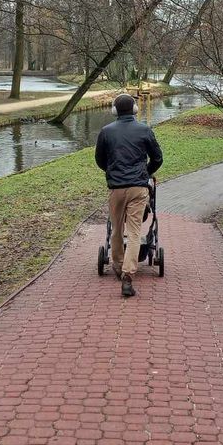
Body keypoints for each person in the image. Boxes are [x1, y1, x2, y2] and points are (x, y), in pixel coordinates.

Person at [95, 93, 163, 298]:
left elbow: (100, 160)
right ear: (134, 110)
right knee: (134, 232)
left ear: (114, 111)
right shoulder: (145, 130)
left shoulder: (106, 132)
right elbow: (158, 158)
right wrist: (146, 172)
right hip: (138, 188)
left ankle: (117, 265)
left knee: (116, 229)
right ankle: (128, 274)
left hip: (116, 188)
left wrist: (112, 171)